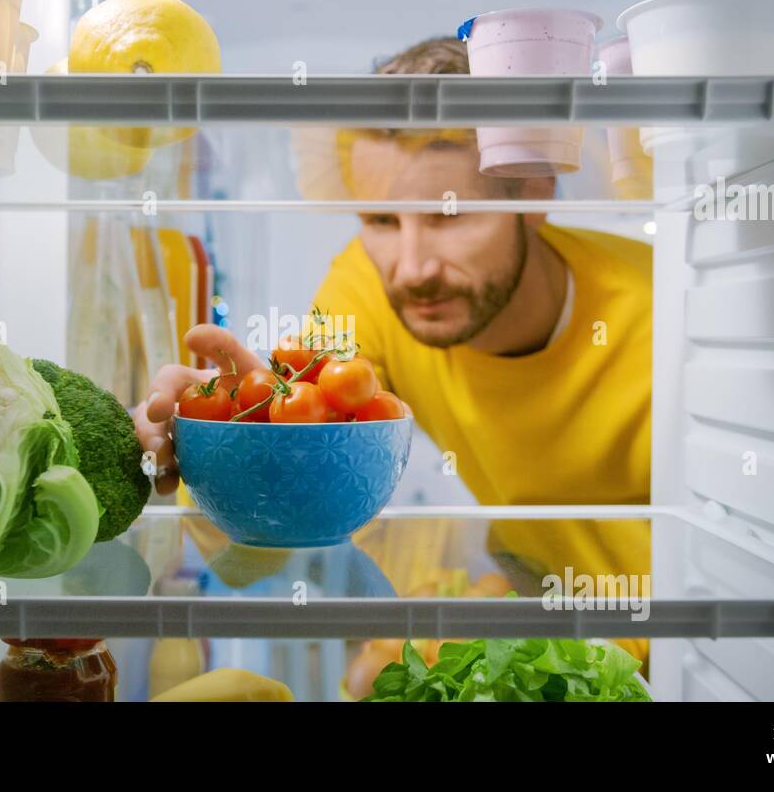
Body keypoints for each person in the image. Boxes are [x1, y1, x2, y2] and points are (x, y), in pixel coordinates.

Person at [134, 37, 651, 665]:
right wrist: (236, 440)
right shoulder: (367, 286)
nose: (410, 269)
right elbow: (261, 537)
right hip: (530, 583)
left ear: (534, 191)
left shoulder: (655, 315)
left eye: (449, 215)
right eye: (381, 220)